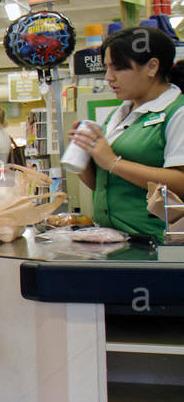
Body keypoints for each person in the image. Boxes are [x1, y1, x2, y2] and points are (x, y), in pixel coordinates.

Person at [69, 26, 184, 241]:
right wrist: (83, 154)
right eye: (106, 68)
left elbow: (181, 182)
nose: (108, 77)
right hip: (114, 240)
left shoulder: (177, 112)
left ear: (152, 67)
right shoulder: (119, 114)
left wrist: (113, 162)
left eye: (118, 68)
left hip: (157, 244)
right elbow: (101, 184)